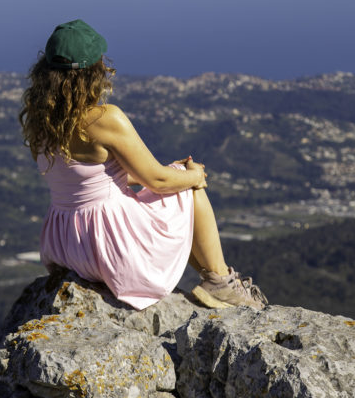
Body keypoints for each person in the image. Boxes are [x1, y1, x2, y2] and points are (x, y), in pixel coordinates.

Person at [19, 19, 268, 311]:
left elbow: (89, 180)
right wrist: (193, 175)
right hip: (109, 247)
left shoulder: (42, 122)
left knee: (176, 176)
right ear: (92, 73)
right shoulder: (104, 118)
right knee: (187, 188)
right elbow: (157, 181)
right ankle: (220, 282)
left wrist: (171, 173)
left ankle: (217, 280)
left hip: (66, 247)